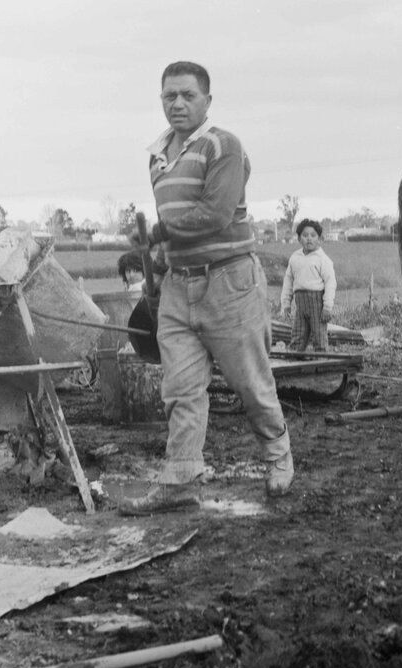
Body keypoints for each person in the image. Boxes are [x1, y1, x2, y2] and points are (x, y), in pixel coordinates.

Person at [118, 60, 294, 515]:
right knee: (180, 388)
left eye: (187, 95)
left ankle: (278, 457)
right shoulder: (157, 158)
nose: (177, 103)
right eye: (168, 96)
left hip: (229, 282)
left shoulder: (224, 146)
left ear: (207, 101)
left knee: (250, 383)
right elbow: (175, 230)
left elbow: (214, 215)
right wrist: (154, 260)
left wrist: (156, 233)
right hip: (179, 288)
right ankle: (180, 482)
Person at [280, 218, 337, 351]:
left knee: (319, 335)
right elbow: (288, 281)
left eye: (313, 235)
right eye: (305, 236)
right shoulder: (295, 258)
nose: (309, 239)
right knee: (298, 334)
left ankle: (322, 361)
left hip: (317, 303)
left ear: (319, 238)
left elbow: (330, 283)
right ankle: (295, 361)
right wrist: (286, 304)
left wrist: (327, 307)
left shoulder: (323, 259)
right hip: (300, 303)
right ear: (299, 239)